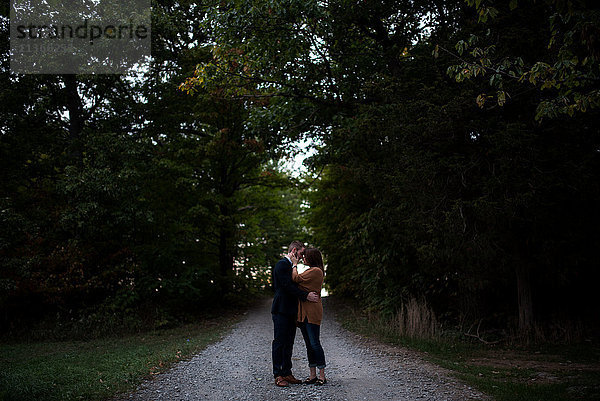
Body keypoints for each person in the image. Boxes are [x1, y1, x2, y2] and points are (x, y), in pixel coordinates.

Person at [271, 241, 319, 388]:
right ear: (293, 251)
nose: (302, 256)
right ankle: (278, 375)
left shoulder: (292, 267)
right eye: (301, 253)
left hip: (292, 310)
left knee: (289, 342)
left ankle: (287, 372)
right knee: (279, 342)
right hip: (281, 309)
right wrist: (306, 296)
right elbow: (287, 286)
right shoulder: (281, 265)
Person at [291, 247, 327, 385]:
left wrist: (294, 264)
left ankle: (322, 375)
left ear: (312, 258)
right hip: (303, 312)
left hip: (312, 312)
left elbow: (295, 278)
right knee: (308, 345)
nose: (303, 259)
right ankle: (312, 375)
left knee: (315, 343)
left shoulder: (316, 271)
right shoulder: (310, 271)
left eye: (305, 257)